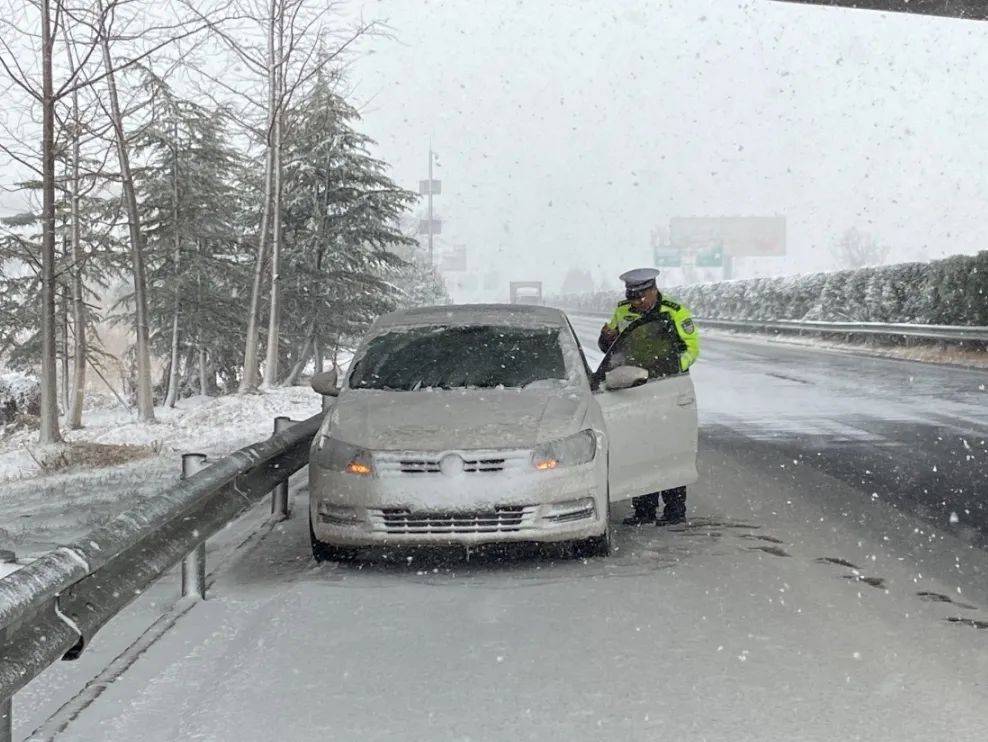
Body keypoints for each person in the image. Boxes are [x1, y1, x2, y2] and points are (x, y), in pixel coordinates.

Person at [598, 267, 699, 526]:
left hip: (666, 387)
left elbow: (691, 350)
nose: (636, 302)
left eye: (641, 296)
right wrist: (605, 338)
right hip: (634, 388)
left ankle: (675, 510)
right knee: (641, 446)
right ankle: (644, 511)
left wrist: (670, 368)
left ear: (653, 290)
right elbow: (612, 346)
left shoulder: (674, 312)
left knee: (669, 447)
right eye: (633, 297)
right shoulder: (622, 311)